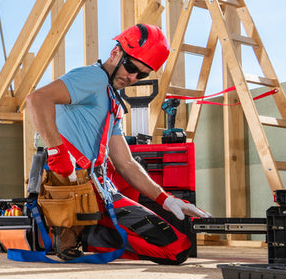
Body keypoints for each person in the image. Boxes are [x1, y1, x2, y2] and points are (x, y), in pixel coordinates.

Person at [25, 23, 209, 264]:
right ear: (115, 53)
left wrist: (166, 199)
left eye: (141, 74)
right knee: (173, 250)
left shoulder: (112, 101)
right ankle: (71, 227)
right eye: (131, 67)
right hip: (70, 187)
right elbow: (37, 99)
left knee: (177, 248)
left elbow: (126, 163)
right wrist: (57, 151)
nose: (132, 77)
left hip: (100, 190)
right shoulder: (92, 78)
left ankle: (86, 231)